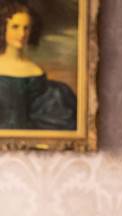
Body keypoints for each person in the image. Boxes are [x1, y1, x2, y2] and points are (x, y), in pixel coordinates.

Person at [0, 1, 76, 130]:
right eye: (15, 27)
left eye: (26, 28)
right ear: (3, 28)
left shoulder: (36, 71)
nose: (22, 34)